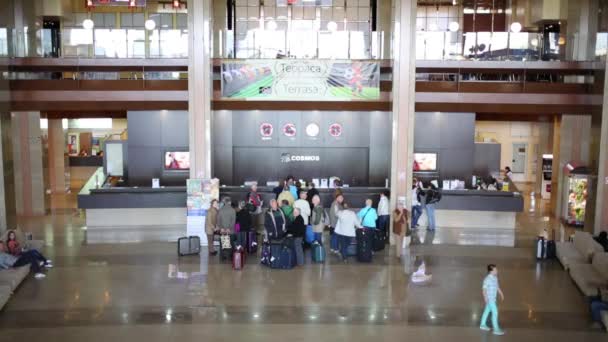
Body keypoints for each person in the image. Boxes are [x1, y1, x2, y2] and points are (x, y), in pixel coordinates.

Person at [480, 264, 505, 335]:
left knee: (487, 311)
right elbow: (484, 290)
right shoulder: (487, 279)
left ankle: (482, 324)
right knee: (495, 312)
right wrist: (485, 298)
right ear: (491, 271)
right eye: (495, 270)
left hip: (493, 298)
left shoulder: (495, 278)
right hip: (489, 299)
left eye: (496, 269)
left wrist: (501, 294)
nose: (497, 271)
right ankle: (496, 329)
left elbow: (497, 287)